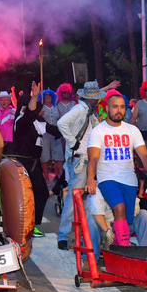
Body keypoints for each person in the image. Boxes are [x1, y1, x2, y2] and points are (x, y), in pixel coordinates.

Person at [86, 93, 147, 246]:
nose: (118, 110)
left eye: (122, 107)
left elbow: (144, 155)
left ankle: (118, 244)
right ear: (107, 108)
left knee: (127, 218)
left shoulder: (132, 130)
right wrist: (90, 179)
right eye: (115, 107)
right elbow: (93, 158)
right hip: (107, 179)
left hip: (129, 181)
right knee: (119, 208)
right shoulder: (98, 131)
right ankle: (124, 247)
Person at [56, 79, 121, 249]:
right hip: (80, 159)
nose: (99, 99)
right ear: (92, 98)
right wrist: (73, 144)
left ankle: (83, 234)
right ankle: (64, 236)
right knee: (74, 197)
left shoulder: (89, 111)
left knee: (86, 198)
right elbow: (61, 123)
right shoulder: (80, 109)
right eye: (97, 97)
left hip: (87, 159)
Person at [9, 81, 51, 236]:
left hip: (33, 162)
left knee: (37, 194)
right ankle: (31, 226)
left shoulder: (37, 122)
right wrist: (34, 97)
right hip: (25, 163)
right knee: (38, 193)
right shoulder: (22, 121)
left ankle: (31, 225)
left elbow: (55, 130)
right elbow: (29, 114)